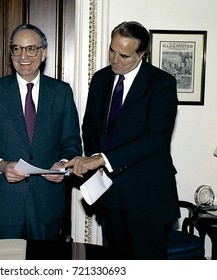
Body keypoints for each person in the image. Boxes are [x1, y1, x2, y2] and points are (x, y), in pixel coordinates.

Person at [64, 21, 180, 259]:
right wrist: (94, 164)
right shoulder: (101, 79)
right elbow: (91, 127)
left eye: (124, 55)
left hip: (147, 196)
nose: (115, 59)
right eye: (112, 50)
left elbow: (154, 138)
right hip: (110, 195)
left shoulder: (161, 84)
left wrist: (102, 159)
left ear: (141, 55)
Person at [0, 24, 82, 241]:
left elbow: (71, 140)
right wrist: (1, 166)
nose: (23, 56)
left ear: (44, 52)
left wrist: (63, 164)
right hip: (2, 204)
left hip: (46, 204)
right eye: (17, 49)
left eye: (31, 48)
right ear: (10, 52)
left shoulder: (61, 92)